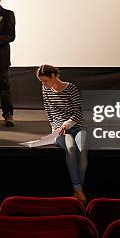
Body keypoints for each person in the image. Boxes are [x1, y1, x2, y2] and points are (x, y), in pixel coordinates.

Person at [37, 65, 88, 204]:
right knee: (70, 149)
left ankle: (78, 190)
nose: (44, 84)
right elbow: (49, 111)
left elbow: (78, 112)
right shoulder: (45, 89)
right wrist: (54, 129)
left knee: (82, 151)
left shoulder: (71, 88)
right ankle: (78, 190)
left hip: (76, 126)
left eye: (45, 81)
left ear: (54, 76)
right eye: (42, 81)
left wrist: (68, 123)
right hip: (60, 129)